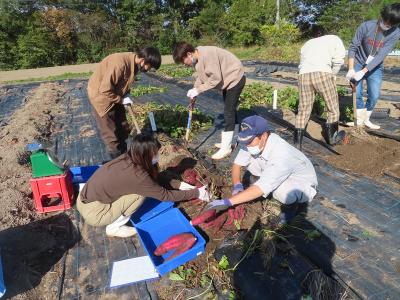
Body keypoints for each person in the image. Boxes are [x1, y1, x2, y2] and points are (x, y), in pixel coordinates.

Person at [77, 133, 210, 237]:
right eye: (156, 153)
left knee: (140, 188)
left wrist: (179, 185)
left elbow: (152, 179)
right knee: (139, 195)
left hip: (84, 199)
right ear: (147, 155)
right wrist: (197, 193)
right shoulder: (137, 176)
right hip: (95, 213)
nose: (158, 155)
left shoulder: (129, 157)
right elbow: (164, 195)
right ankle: (114, 228)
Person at [207, 115, 318, 224]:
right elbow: (237, 165)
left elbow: (260, 189)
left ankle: (291, 207)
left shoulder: (281, 154)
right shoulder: (252, 142)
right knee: (251, 162)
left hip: (301, 183)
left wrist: (228, 202)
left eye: (250, 141)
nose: (247, 144)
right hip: (276, 171)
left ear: (264, 136)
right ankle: (262, 183)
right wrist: (237, 185)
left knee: (282, 192)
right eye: (245, 141)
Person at [172, 42, 246, 160]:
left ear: (189, 54)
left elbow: (216, 79)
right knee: (229, 110)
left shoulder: (207, 55)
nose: (183, 64)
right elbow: (201, 77)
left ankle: (226, 148)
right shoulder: (197, 58)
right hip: (227, 80)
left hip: (235, 78)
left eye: (183, 61)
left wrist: (199, 90)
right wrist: (195, 89)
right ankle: (228, 141)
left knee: (228, 112)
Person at [87, 47, 162, 159]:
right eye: (149, 66)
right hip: (101, 97)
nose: (148, 69)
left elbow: (125, 82)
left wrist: (126, 94)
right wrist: (121, 100)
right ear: (143, 60)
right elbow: (105, 90)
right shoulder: (119, 64)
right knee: (111, 134)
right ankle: (118, 160)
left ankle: (126, 155)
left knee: (123, 127)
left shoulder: (134, 64)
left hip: (115, 94)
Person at [346, 3, 400, 129]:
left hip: (375, 66)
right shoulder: (366, 26)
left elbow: (381, 55)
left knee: (374, 94)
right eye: (385, 21)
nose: (386, 25)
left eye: (391, 24)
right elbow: (353, 47)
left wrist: (364, 71)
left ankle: (366, 119)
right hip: (359, 62)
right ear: (382, 16)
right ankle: (358, 120)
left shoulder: (395, 33)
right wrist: (351, 68)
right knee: (357, 92)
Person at [295, 31, 347, 150]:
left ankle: (297, 144)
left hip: (303, 75)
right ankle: (332, 138)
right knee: (332, 107)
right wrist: (333, 74)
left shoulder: (308, 43)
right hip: (322, 73)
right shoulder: (335, 39)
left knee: (303, 109)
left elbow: (302, 62)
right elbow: (338, 60)